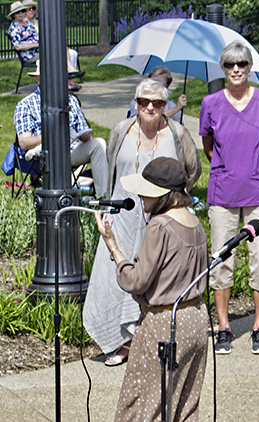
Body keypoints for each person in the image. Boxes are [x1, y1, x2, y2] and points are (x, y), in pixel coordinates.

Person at [84, 78, 201, 367]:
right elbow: (109, 167)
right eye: (143, 102)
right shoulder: (121, 131)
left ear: (166, 106)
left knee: (155, 277)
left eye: (158, 103)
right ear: (135, 103)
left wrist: (173, 203)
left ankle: (147, 337)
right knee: (119, 273)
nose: (150, 107)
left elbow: (192, 170)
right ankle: (123, 342)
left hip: (162, 219)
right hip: (123, 214)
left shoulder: (178, 133)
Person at [94, 157, 208, 421]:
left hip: (164, 323)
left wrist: (112, 246)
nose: (142, 196)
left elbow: (136, 281)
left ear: (162, 194)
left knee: (144, 405)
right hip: (196, 321)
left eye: (147, 191)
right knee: (184, 403)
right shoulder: (195, 223)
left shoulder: (160, 225)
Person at [200, 41, 259, 355]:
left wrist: (255, 166)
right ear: (223, 69)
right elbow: (208, 146)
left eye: (242, 64)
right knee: (222, 260)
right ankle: (223, 327)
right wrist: (226, 167)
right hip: (223, 193)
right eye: (230, 65)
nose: (236, 70)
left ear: (250, 68)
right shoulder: (210, 103)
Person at [13, 61, 107, 197]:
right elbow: (24, 142)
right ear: (38, 79)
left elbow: (84, 132)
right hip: (44, 153)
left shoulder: (71, 100)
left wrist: (85, 136)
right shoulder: (26, 104)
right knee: (52, 145)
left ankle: (105, 202)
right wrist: (51, 136)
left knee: (99, 144)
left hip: (72, 151)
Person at [6, 1, 83, 91]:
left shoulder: (28, 24)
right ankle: (67, 81)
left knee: (61, 47)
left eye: (22, 11)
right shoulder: (14, 28)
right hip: (30, 54)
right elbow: (18, 46)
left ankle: (70, 72)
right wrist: (37, 45)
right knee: (55, 53)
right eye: (17, 12)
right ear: (13, 15)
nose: (21, 14)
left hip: (40, 49)